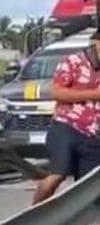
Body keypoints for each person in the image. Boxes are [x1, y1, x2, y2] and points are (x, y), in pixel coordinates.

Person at [33, 29, 100, 204]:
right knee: (56, 177)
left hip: (93, 136)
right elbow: (57, 92)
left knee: (90, 192)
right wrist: (93, 94)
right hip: (67, 126)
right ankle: (32, 216)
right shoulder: (75, 61)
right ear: (95, 42)